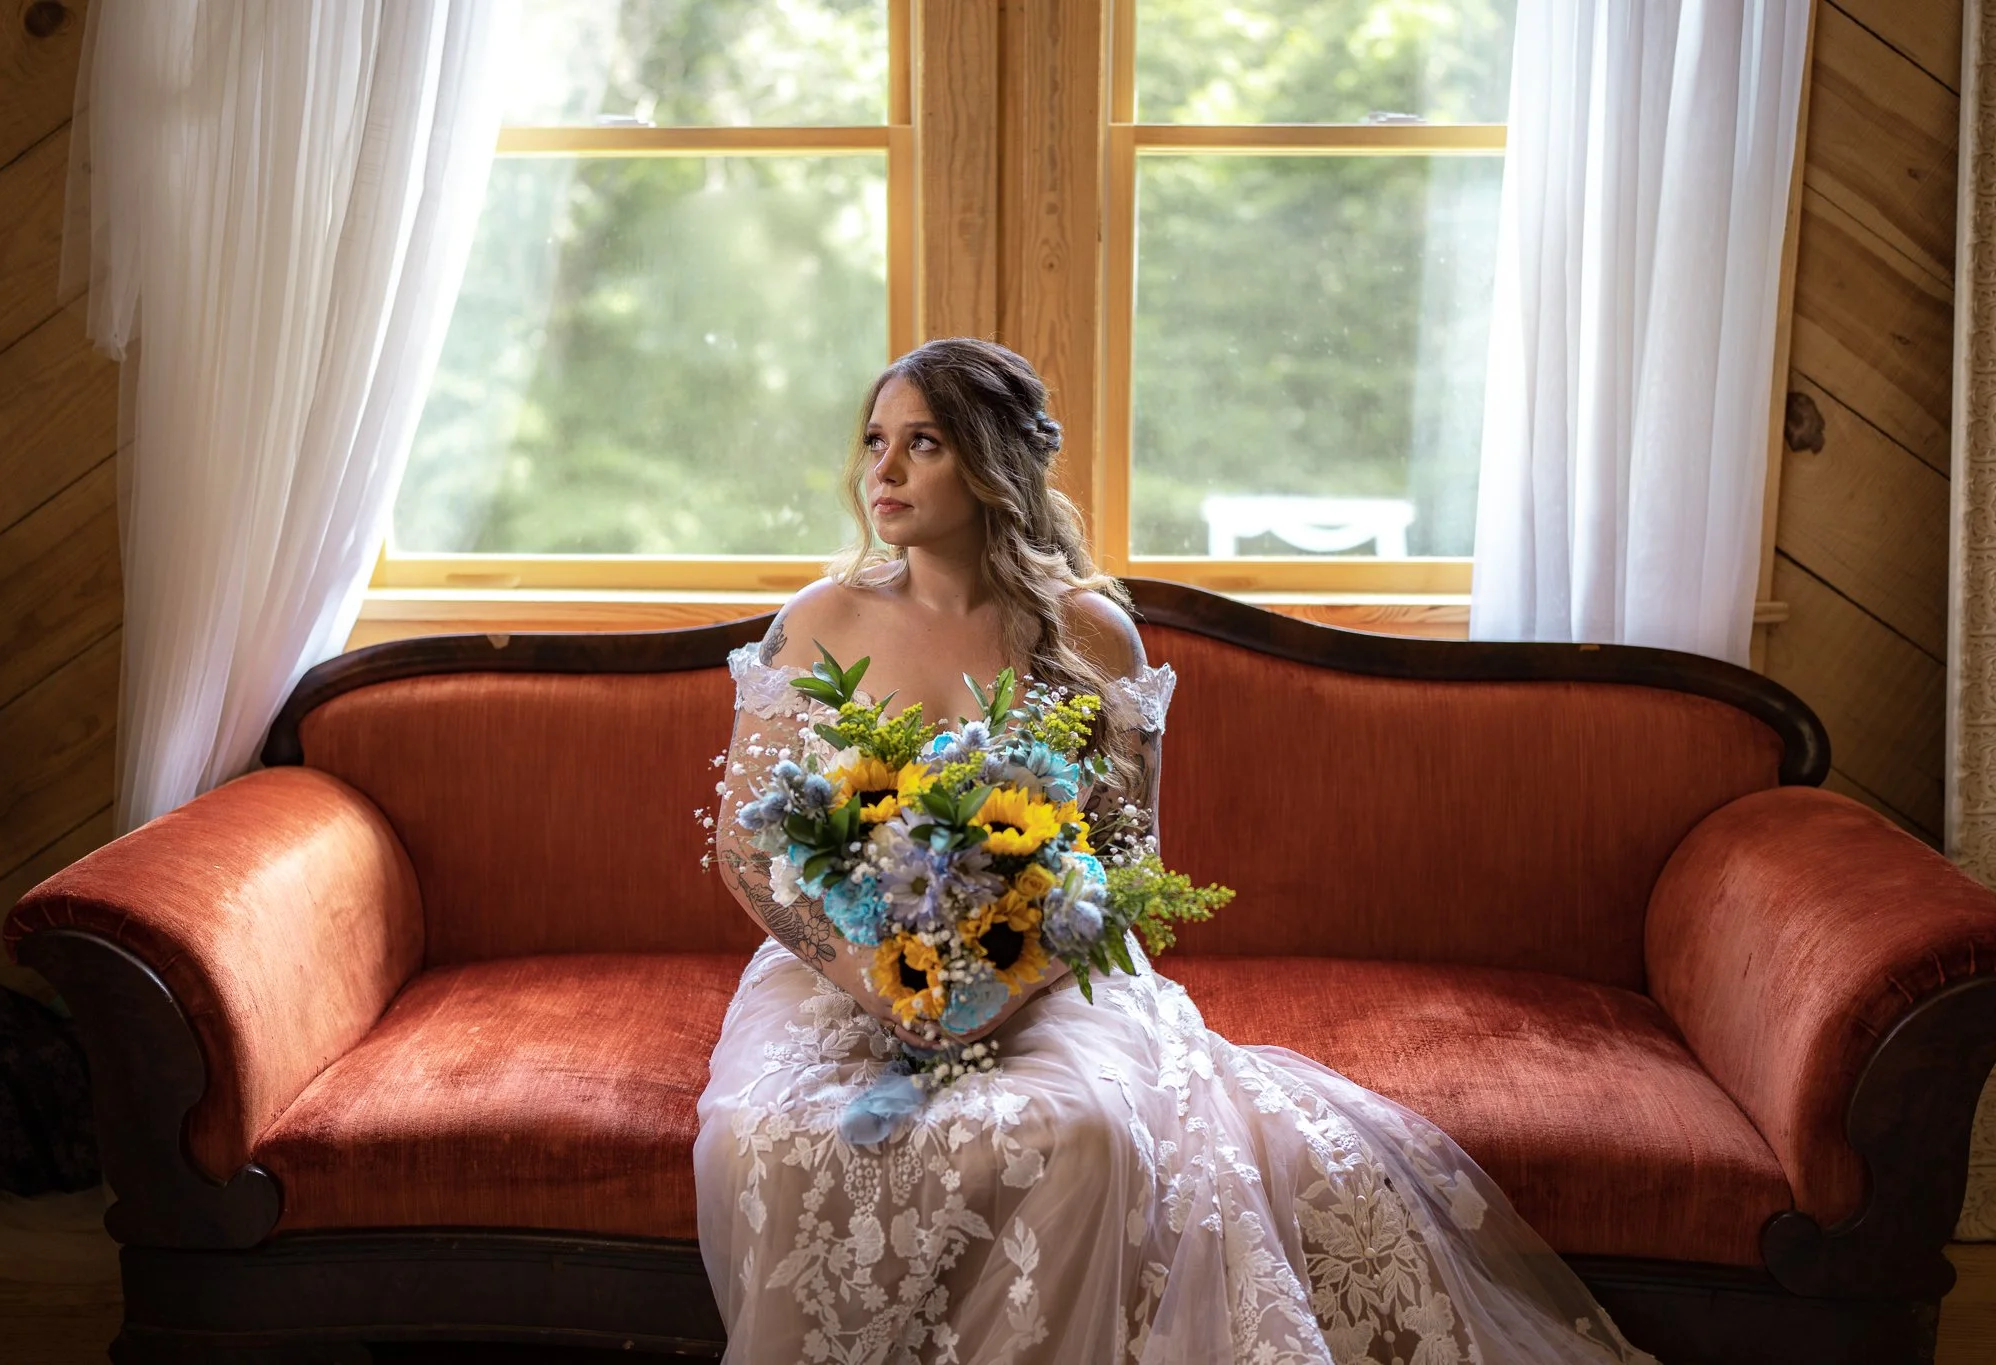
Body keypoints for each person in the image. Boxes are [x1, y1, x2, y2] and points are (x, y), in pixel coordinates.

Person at [697, 338, 1657, 1365]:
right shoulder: (819, 621)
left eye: (920, 444)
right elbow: (747, 853)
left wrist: (996, 987)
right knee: (767, 1139)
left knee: (1089, 1131)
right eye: (874, 442)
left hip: (1044, 968)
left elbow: (1120, 856)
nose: (879, 473)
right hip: (840, 965)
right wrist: (884, 987)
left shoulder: (1086, 634)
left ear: (988, 466)